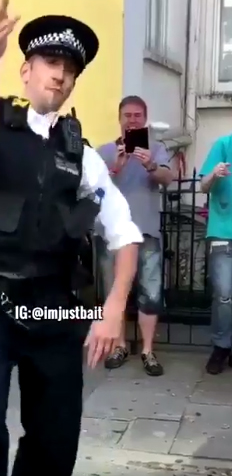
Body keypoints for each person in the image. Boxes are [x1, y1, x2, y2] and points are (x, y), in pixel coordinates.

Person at [0, 0, 143, 476]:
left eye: (70, 69)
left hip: (53, 303)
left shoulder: (83, 156)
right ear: (26, 70)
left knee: (55, 437)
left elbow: (125, 234)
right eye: (50, 61)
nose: (60, 74)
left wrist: (113, 311)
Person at [95, 95, 173, 376]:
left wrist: (150, 164)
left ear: (145, 119)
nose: (132, 120)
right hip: (112, 237)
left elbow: (168, 178)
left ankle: (148, 350)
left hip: (146, 233)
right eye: (127, 115)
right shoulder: (104, 151)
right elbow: (91, 190)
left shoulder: (157, 149)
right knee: (114, 291)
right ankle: (119, 344)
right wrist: (114, 168)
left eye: (138, 115)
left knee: (150, 294)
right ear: (120, 119)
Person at [200, 136, 232, 374]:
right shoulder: (223, 145)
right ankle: (221, 346)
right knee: (223, 294)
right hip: (223, 232)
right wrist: (214, 174)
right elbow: (203, 186)